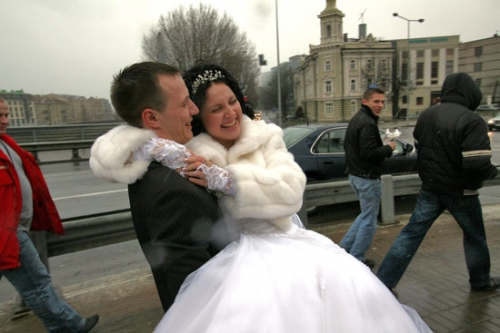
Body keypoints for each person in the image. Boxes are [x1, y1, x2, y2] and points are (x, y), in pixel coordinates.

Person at [149, 63, 431, 332]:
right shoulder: (194, 152)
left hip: (288, 243)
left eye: (232, 102)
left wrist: (232, 181)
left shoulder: (265, 136)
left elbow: (292, 190)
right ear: (199, 115)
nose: (230, 113)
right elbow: (141, 137)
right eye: (216, 108)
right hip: (237, 261)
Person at [89, 62, 233, 312]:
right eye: (184, 103)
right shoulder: (174, 192)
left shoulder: (154, 164)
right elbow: (199, 300)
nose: (194, 109)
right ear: (152, 117)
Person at [376, 72, 500, 294]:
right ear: (471, 93)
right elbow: (477, 164)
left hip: (431, 188)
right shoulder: (472, 121)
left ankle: (384, 281)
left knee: (411, 234)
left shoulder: (427, 116)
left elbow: (421, 150)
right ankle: (480, 281)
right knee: (474, 237)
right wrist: (492, 173)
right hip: (462, 191)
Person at [0, 97, 99, 332]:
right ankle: (69, 327)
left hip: (14, 229)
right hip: (7, 234)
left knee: (35, 284)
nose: (5, 121)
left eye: (6, 115)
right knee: (37, 285)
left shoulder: (5, 143)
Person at [339, 87, 396, 268]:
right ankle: (357, 258)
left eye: (382, 102)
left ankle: (343, 250)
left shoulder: (359, 119)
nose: (380, 105)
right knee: (369, 222)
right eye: (376, 101)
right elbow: (368, 153)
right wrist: (389, 148)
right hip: (367, 177)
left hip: (356, 174)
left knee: (365, 215)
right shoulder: (367, 123)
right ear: (365, 102)